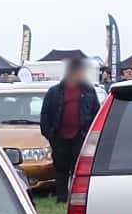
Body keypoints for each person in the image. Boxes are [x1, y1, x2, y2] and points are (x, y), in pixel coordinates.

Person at [39, 59, 101, 203]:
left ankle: (77, 198)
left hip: (81, 137)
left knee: (78, 169)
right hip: (59, 137)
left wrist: (89, 135)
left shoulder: (88, 90)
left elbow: (95, 113)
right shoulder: (54, 92)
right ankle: (61, 198)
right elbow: (45, 115)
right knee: (61, 169)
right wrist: (50, 135)